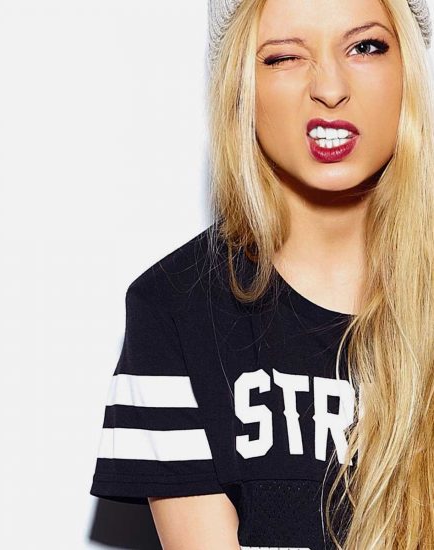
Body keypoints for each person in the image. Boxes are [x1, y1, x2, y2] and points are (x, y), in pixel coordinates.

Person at [89, 0, 434, 547]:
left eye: (364, 46)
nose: (330, 88)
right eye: (284, 57)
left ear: (407, 69)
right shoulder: (175, 309)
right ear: (240, 86)